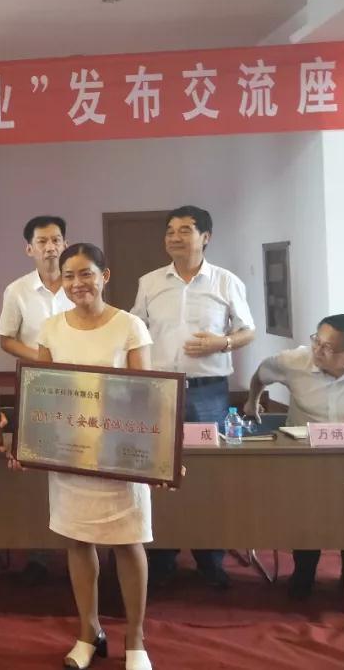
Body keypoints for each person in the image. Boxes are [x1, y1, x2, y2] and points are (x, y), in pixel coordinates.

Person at [31, 243, 156, 670]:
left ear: (105, 275)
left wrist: (155, 455)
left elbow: (147, 396)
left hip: (120, 456)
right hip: (71, 456)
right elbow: (42, 394)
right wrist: (31, 445)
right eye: (68, 275)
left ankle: (136, 639)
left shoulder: (130, 326)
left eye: (86, 273)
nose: (77, 283)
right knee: (78, 540)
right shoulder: (50, 328)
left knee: (128, 542)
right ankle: (89, 632)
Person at [132, 205, 255, 590]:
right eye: (170, 230)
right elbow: (136, 328)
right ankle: (162, 555)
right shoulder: (150, 282)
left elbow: (248, 329)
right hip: (159, 390)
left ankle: (210, 558)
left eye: (185, 230)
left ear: (206, 237)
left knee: (206, 473)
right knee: (157, 468)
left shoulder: (226, 281)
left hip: (208, 390)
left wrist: (224, 342)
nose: (175, 237)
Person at [245, 314, 344, 599]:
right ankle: (303, 574)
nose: (318, 350)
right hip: (303, 456)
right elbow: (260, 375)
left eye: (328, 347)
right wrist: (252, 402)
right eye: (317, 340)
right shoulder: (293, 361)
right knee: (306, 515)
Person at [0, 215, 74, 584]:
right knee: (37, 467)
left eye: (56, 240)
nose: (50, 247)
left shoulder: (80, 282)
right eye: (42, 241)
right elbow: (6, 340)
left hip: (77, 387)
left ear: (65, 244)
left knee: (76, 459)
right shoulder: (17, 290)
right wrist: (40, 356)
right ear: (29, 249)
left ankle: (78, 548)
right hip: (36, 386)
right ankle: (40, 555)